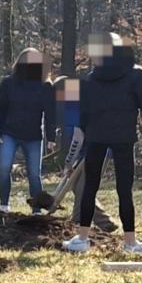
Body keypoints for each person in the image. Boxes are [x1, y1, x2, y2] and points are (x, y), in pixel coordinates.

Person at [62, 33, 142, 256]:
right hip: (124, 137)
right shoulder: (136, 74)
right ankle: (130, 241)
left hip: (96, 137)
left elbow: (82, 114)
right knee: (124, 191)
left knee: (90, 188)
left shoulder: (89, 79)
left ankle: (82, 238)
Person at [0, 47, 55, 213]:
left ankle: (36, 210)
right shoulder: (8, 83)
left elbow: (50, 113)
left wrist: (51, 138)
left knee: (34, 174)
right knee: (4, 168)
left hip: (33, 136)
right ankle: (4, 205)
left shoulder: (46, 86)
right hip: (9, 133)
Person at [51, 76, 117, 231]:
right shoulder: (80, 97)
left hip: (100, 147)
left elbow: (78, 136)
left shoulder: (74, 103)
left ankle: (77, 223)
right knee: (77, 186)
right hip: (88, 148)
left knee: (82, 188)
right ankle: (105, 223)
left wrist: (69, 161)